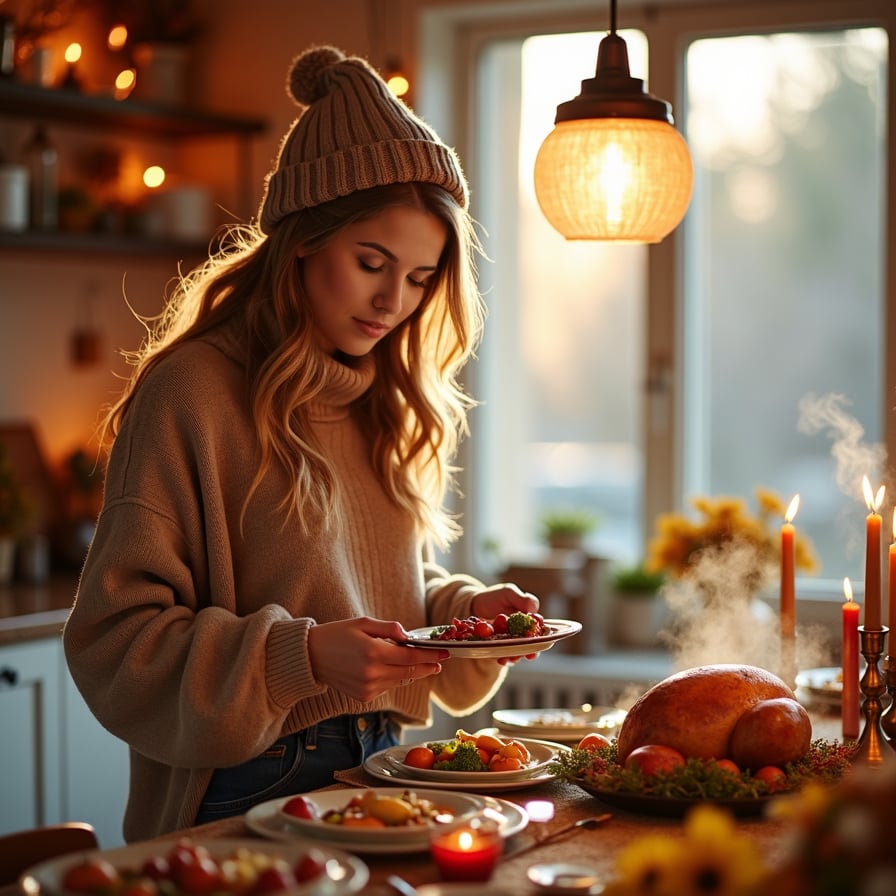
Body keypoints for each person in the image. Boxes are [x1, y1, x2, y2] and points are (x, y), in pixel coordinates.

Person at [62, 44, 540, 842]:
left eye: (422, 278)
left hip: (384, 764)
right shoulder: (193, 392)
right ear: (305, 240)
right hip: (244, 782)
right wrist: (304, 657)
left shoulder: (382, 398)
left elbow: (357, 588)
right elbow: (115, 639)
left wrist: (460, 613)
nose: (395, 301)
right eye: (373, 263)